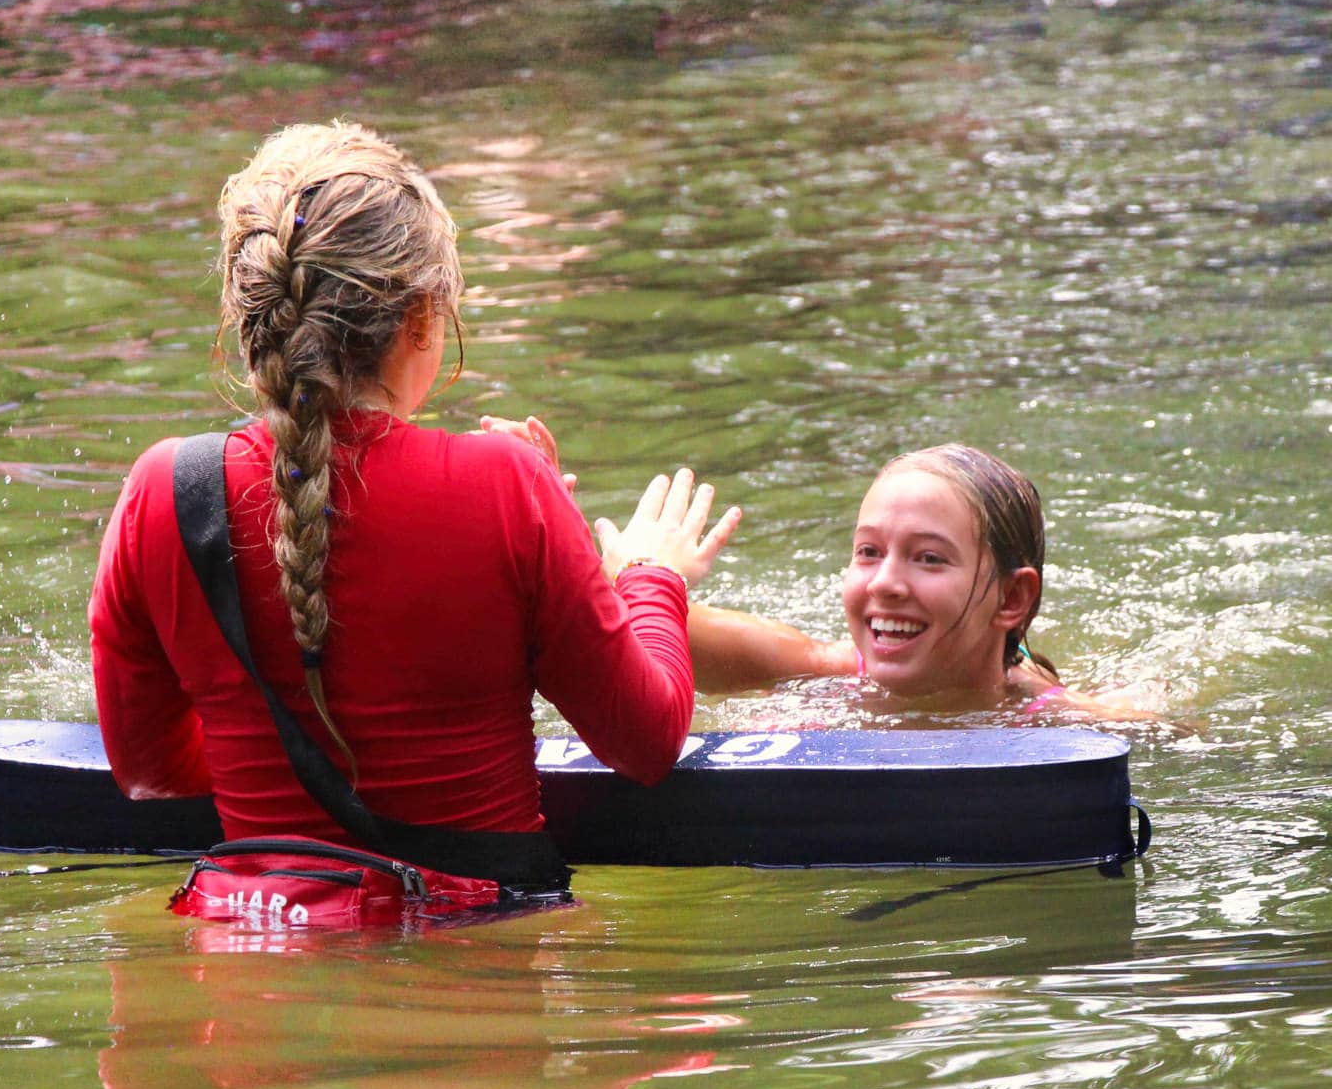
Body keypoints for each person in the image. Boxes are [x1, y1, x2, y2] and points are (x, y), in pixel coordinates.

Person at [88, 121, 738, 875]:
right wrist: (648, 577)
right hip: (478, 952)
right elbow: (648, 743)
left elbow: (151, 776)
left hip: (246, 949)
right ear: (423, 317)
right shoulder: (505, 484)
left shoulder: (165, 490)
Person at [484, 428, 1141, 719]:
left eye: (929, 557)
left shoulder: (1063, 721)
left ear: (1011, 598)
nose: (884, 581)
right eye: (868, 552)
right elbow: (626, 623)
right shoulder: (818, 674)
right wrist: (546, 525)